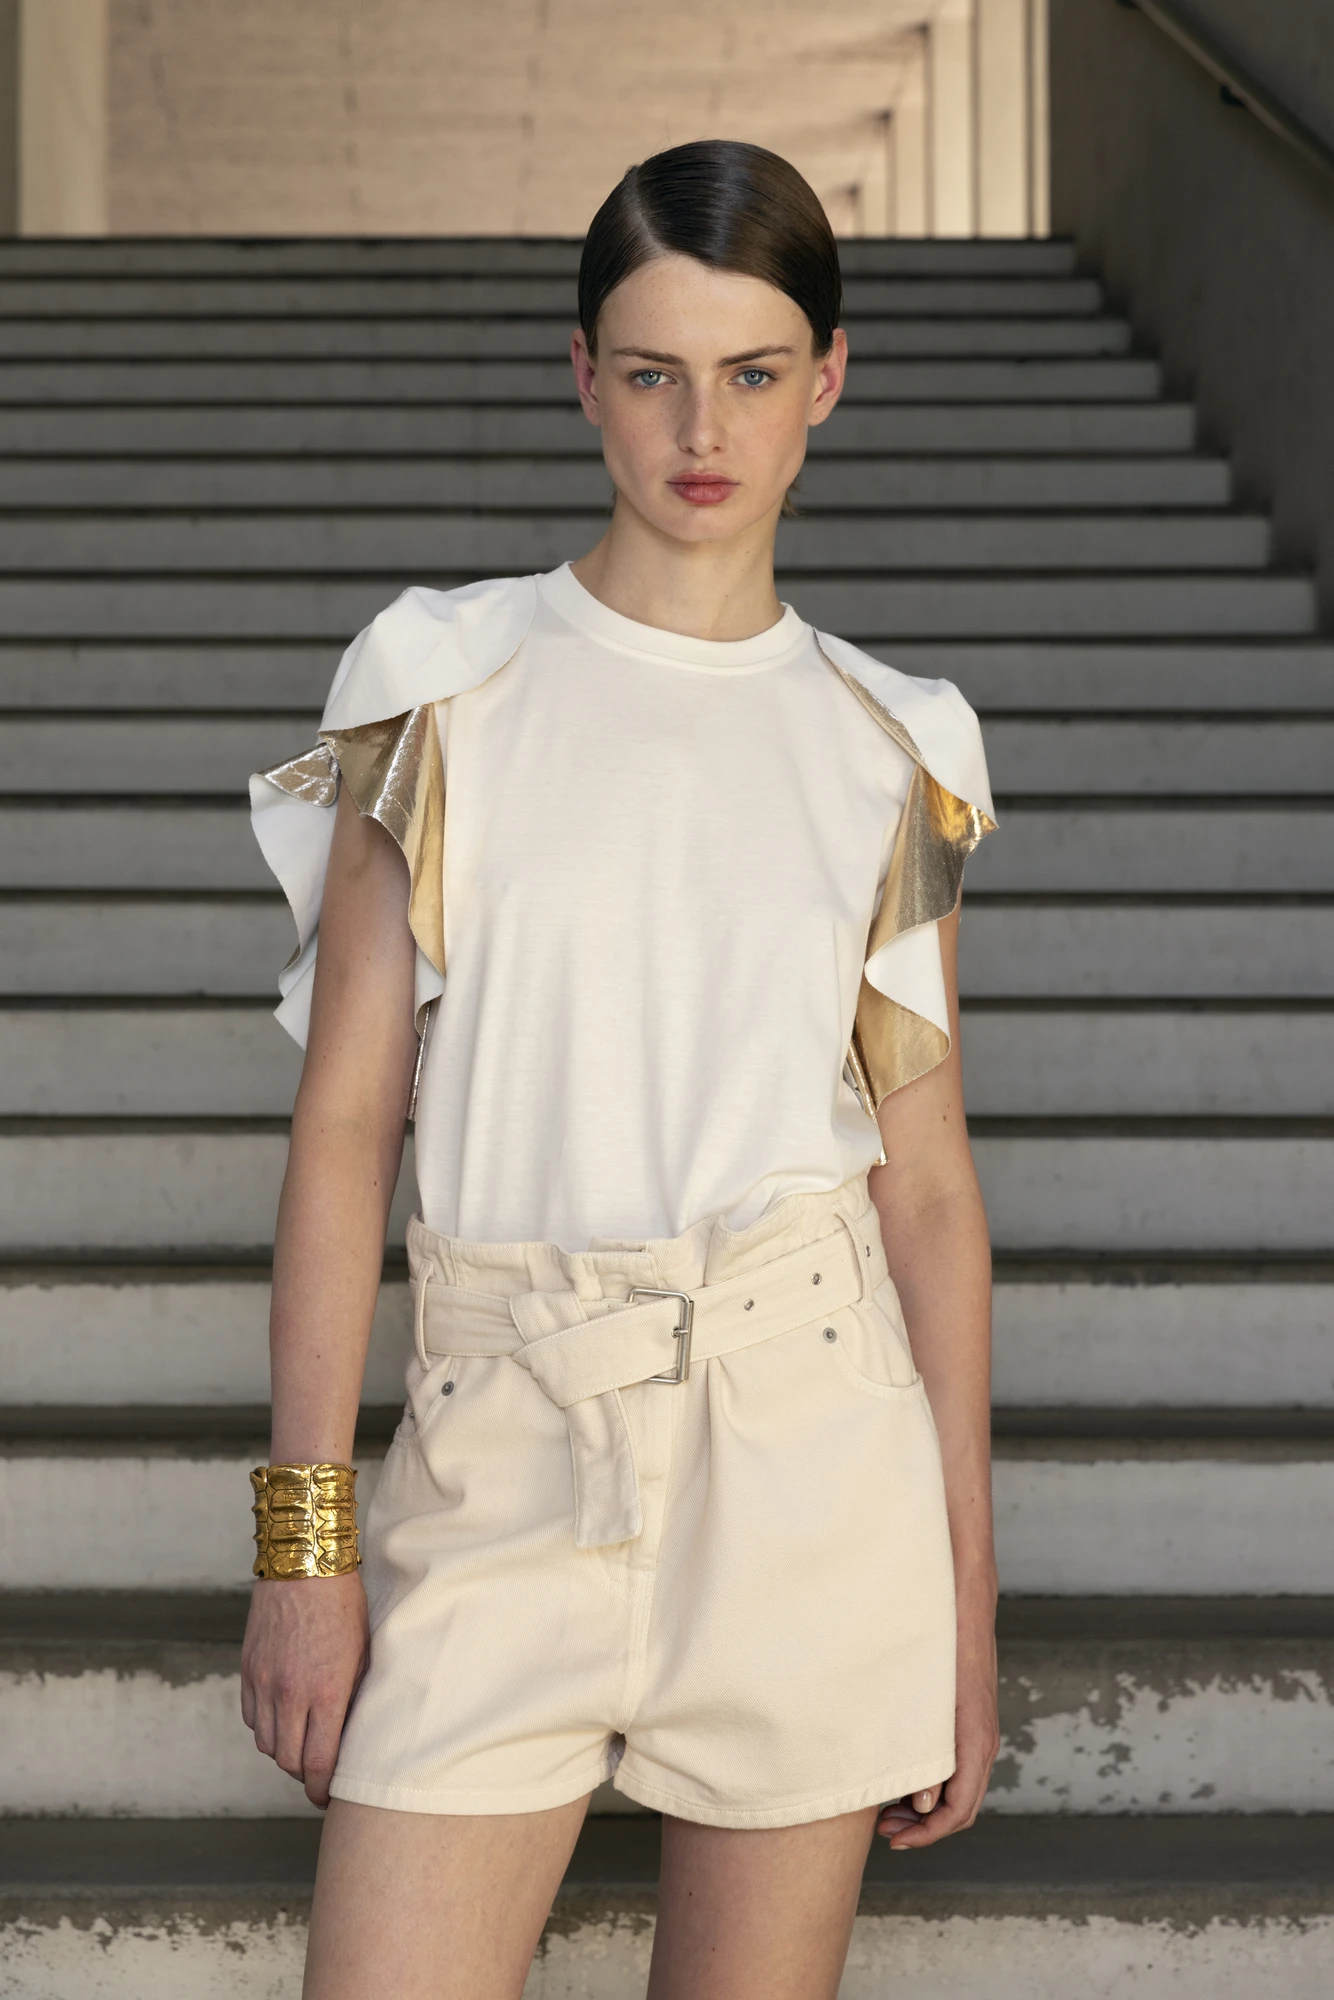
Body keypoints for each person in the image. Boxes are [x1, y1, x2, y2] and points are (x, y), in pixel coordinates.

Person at [241, 138, 999, 2000]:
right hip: (503, 1442)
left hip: (808, 1462)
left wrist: (966, 1611)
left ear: (826, 380)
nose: (700, 429)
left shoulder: (893, 744)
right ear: (583, 374)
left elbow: (927, 1195)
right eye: (652, 370)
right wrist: (302, 1547)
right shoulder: (441, 681)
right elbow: (345, 1132)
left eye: (752, 372)